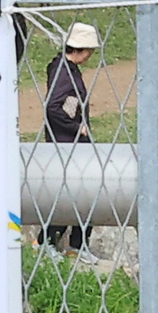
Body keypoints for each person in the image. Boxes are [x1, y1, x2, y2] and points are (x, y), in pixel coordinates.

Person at [38, 20, 99, 252]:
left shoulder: (61, 67)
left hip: (69, 143)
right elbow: (52, 107)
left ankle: (73, 244)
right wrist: (77, 128)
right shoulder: (64, 72)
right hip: (67, 144)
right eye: (89, 51)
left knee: (80, 192)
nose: (90, 55)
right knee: (76, 193)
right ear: (80, 50)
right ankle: (52, 244)